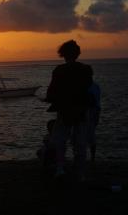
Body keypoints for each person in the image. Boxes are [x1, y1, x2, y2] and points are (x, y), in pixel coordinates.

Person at [45, 40, 93, 179]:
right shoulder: (86, 69)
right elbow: (88, 87)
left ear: (63, 54)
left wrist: (50, 99)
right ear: (77, 54)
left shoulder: (59, 70)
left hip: (64, 110)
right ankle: (80, 172)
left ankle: (60, 169)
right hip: (81, 109)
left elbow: (51, 92)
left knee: (59, 140)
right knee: (80, 142)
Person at [87, 81, 101, 162]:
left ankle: (92, 157)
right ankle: (92, 157)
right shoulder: (95, 86)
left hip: (91, 112)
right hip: (92, 112)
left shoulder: (94, 86)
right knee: (91, 135)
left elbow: (95, 103)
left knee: (90, 135)